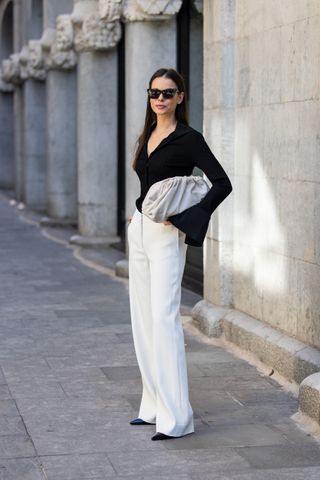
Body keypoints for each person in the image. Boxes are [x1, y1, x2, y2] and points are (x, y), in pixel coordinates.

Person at [127, 68, 232, 441]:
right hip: (139, 229)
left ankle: (177, 419)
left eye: (168, 93)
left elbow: (222, 183)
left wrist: (194, 216)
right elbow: (147, 185)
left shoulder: (189, 138)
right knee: (142, 320)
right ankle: (152, 406)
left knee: (164, 319)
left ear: (181, 97)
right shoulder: (148, 134)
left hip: (167, 235)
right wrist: (136, 217)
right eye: (154, 92)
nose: (160, 99)